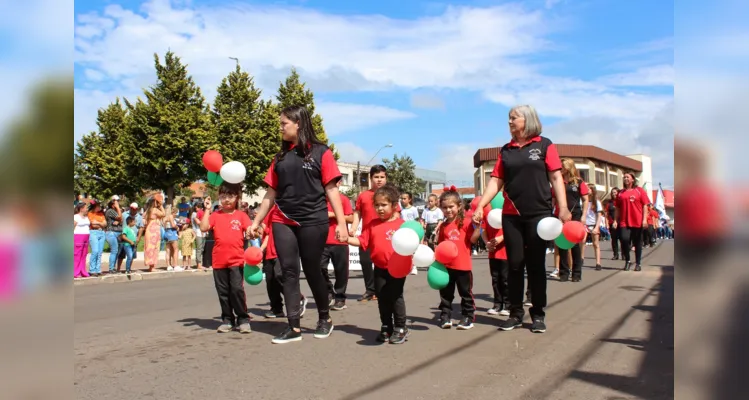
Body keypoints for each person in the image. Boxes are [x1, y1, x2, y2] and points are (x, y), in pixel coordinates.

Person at [250, 105, 349, 344]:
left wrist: (342, 224)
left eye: (284, 123)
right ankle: (293, 325)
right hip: (283, 219)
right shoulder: (280, 158)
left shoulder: (321, 152)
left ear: (299, 124)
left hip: (314, 220)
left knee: (313, 269)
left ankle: (324, 318)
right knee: (287, 271)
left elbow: (331, 189)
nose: (280, 127)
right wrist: (256, 220)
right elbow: (270, 193)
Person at [473, 105, 569, 334]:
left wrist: (563, 207)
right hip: (512, 215)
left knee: (536, 266)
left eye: (514, 118)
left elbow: (556, 177)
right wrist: (481, 205)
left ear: (527, 120)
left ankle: (538, 314)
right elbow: (496, 180)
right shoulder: (506, 151)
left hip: (539, 215)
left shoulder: (545, 145)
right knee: (514, 265)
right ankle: (515, 313)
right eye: (509, 118)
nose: (509, 122)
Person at [346, 185, 410, 344]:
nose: (380, 209)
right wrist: (346, 239)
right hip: (380, 268)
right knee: (382, 297)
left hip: (397, 268)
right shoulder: (372, 224)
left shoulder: (402, 225)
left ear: (394, 205)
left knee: (395, 297)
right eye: (377, 205)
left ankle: (401, 327)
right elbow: (361, 242)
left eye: (384, 205)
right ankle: (386, 326)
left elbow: (411, 244)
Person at [200, 184, 252, 334]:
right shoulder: (215, 215)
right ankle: (228, 319)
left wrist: (252, 232)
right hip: (219, 261)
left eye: (230, 196)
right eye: (223, 197)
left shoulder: (241, 215)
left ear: (236, 198)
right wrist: (208, 209)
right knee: (223, 292)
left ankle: (243, 319)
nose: (226, 200)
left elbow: (249, 230)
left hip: (236, 260)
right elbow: (203, 227)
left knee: (236, 290)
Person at [349, 165, 401, 301]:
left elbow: (397, 214)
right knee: (365, 262)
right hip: (367, 235)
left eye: (382, 177)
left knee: (384, 263)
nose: (379, 180)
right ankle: (370, 290)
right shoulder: (363, 196)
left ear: (386, 178)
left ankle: (385, 290)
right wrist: (354, 227)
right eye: (376, 177)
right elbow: (357, 212)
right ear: (371, 178)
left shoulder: (391, 195)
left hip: (385, 236)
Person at [436, 188, 481, 330]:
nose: (448, 210)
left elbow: (472, 240)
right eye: (444, 207)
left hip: (463, 266)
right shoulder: (443, 226)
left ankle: (468, 316)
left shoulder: (466, 222)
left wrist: (477, 229)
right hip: (446, 267)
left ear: (459, 206)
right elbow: (442, 246)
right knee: (446, 294)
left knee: (465, 293)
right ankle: (445, 316)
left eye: (451, 207)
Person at [260, 206, 308, 319]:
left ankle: (298, 299)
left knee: (280, 275)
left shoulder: (285, 207)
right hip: (269, 250)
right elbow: (266, 231)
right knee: (270, 281)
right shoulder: (268, 209)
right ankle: (276, 309)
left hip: (281, 249)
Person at [320, 179, 354, 310]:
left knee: (341, 272)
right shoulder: (319, 199)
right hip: (321, 241)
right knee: (319, 268)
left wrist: (333, 215)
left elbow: (350, 218)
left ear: (339, 184)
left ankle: (340, 298)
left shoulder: (343, 199)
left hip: (340, 241)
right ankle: (329, 291)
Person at [556, 158, 590, 282]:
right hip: (561, 215)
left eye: (563, 166)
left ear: (569, 167)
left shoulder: (579, 182)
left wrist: (584, 216)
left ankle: (576, 273)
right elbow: (554, 198)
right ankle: (563, 272)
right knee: (562, 244)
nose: (561, 169)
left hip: (575, 214)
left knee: (575, 244)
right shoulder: (558, 182)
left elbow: (586, 199)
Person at [613, 172, 650, 272]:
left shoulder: (639, 191)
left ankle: (638, 263)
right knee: (624, 240)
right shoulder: (621, 193)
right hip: (624, 222)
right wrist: (615, 220)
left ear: (632, 179)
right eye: (624, 177)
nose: (625, 179)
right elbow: (617, 208)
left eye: (627, 177)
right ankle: (628, 261)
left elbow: (645, 205)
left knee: (638, 243)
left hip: (637, 221)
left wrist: (644, 219)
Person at [482, 207, 509, 316]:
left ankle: (508, 304)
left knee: (506, 279)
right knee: (495, 279)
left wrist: (501, 238)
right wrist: (487, 242)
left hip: (505, 253)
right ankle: (497, 304)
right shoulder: (488, 215)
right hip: (493, 253)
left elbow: (512, 229)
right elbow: (483, 230)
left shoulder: (506, 214)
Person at [584, 183, 604, 271]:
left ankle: (598, 263)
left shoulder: (597, 202)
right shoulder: (583, 201)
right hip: (585, 224)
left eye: (588, 189)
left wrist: (597, 227)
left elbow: (599, 216)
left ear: (592, 191)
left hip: (593, 224)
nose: (586, 190)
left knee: (596, 244)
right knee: (582, 241)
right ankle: (581, 259)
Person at [73, 203, 91, 278]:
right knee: (77, 255)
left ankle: (82, 271)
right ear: (81, 209)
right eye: (86, 208)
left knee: (84, 254)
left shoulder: (86, 217)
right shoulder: (76, 217)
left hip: (86, 236)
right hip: (78, 236)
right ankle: (75, 272)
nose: (87, 209)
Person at [606, 188, 621, 260]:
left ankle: (624, 254)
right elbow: (607, 213)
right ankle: (615, 254)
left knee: (623, 239)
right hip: (612, 223)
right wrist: (607, 224)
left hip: (621, 223)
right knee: (614, 240)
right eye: (612, 193)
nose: (614, 194)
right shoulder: (609, 203)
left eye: (615, 192)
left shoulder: (621, 201)